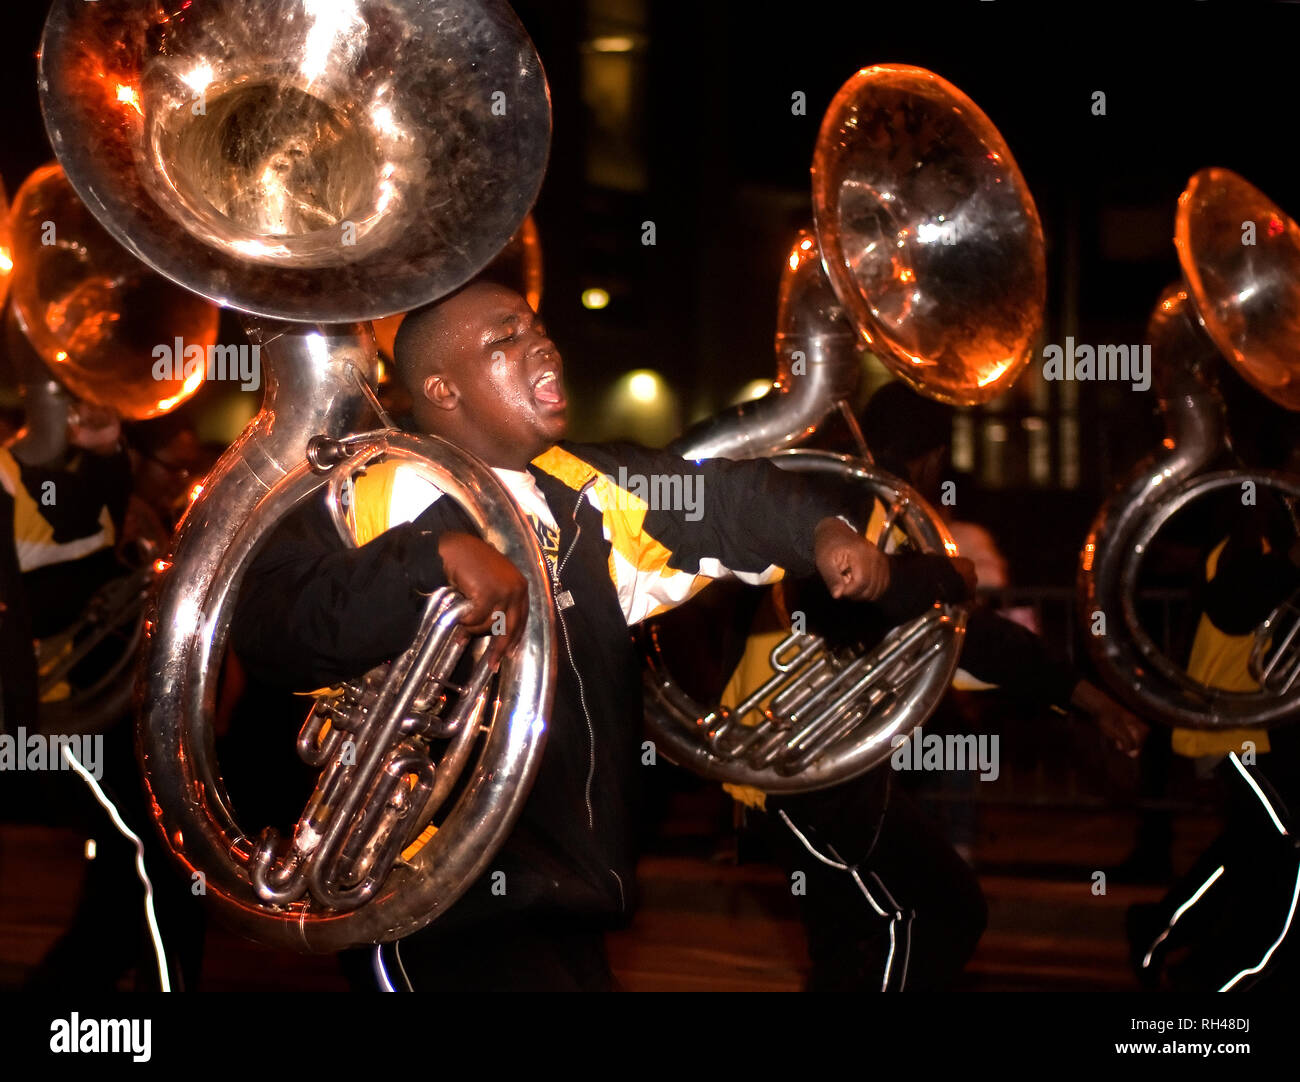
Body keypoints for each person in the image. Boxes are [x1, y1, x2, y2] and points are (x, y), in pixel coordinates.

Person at [230, 278, 976, 992]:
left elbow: (720, 499)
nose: (544, 345)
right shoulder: (371, 484)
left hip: (566, 895)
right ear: (442, 391)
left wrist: (820, 531)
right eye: (506, 337)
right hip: (432, 908)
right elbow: (273, 623)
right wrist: (427, 563)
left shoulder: (580, 481)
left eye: (540, 328)